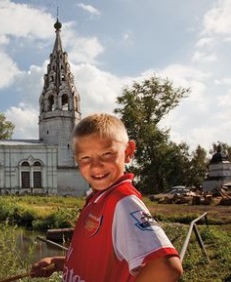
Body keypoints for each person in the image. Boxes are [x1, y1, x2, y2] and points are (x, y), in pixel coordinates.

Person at [31, 113, 183, 282]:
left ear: (128, 152)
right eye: (85, 158)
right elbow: (97, 263)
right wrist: (57, 263)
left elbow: (166, 266)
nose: (96, 166)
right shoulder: (97, 200)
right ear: (76, 160)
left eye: (107, 154)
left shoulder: (122, 201)